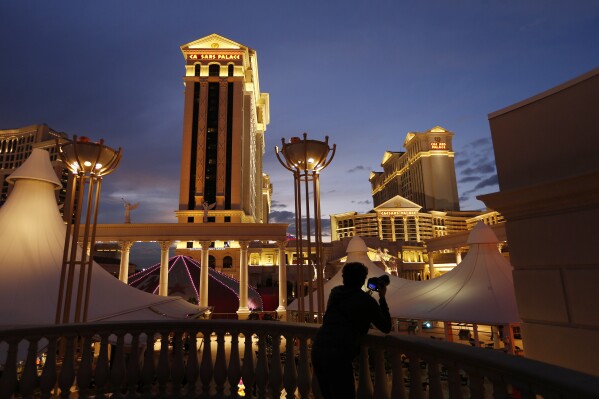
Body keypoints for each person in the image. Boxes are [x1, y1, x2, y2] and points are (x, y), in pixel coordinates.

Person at [311, 262, 392, 399]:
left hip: (319, 348)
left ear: (343, 278)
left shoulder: (335, 293)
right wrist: (382, 297)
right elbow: (386, 327)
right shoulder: (366, 301)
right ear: (362, 280)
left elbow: (350, 301)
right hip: (339, 354)